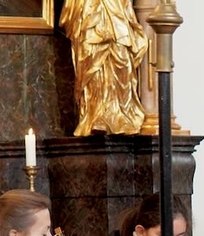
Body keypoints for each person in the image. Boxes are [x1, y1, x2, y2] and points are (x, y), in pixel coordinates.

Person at [60, 0, 147, 135]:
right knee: (92, 63)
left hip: (116, 11)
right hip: (89, 10)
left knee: (122, 59)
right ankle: (95, 116)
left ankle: (121, 116)